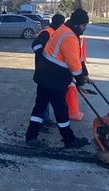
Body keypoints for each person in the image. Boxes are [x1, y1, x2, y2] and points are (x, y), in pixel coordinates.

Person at [26, 8, 90, 148]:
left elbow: (75, 59)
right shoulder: (70, 37)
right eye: (84, 26)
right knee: (60, 109)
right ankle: (69, 140)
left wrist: (84, 75)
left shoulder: (63, 29)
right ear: (78, 24)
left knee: (40, 106)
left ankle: (31, 136)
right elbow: (73, 63)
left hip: (45, 75)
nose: (84, 29)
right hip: (54, 79)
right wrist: (80, 80)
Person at [31, 14, 65, 126]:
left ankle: (44, 119)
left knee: (45, 97)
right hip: (44, 69)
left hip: (49, 70)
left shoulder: (55, 33)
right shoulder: (47, 33)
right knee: (43, 98)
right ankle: (42, 120)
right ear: (59, 24)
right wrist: (44, 58)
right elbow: (35, 45)